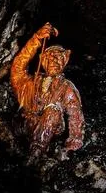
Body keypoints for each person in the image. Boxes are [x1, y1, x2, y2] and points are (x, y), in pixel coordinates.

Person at [10, 22, 84, 160]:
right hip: (24, 126)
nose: (54, 60)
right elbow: (18, 65)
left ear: (65, 60)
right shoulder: (28, 82)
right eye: (50, 57)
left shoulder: (66, 87)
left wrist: (73, 143)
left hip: (50, 130)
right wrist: (36, 39)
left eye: (58, 57)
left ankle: (35, 154)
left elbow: (75, 115)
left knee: (53, 110)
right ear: (43, 60)